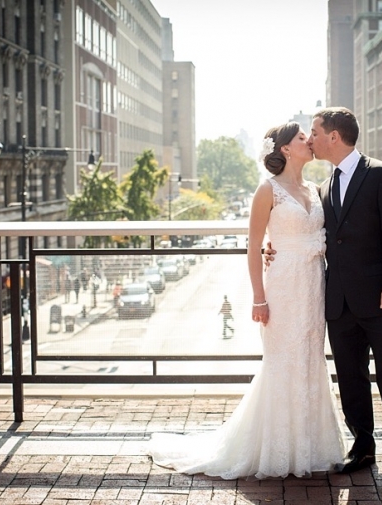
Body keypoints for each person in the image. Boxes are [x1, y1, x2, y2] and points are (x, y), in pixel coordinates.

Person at [148, 122, 344, 479]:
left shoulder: (316, 189)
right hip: (282, 287)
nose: (310, 141)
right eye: (303, 138)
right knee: (282, 362)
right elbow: (254, 246)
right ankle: (277, 448)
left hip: (314, 287)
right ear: (285, 148)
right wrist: (258, 298)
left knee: (311, 358)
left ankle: (311, 446)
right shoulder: (266, 190)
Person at [266, 107, 382, 482]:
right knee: (351, 378)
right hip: (337, 301)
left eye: (315, 132)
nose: (310, 139)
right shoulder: (323, 188)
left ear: (334, 137)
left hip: (381, 299)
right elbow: (315, 237)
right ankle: (363, 446)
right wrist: (271, 248)